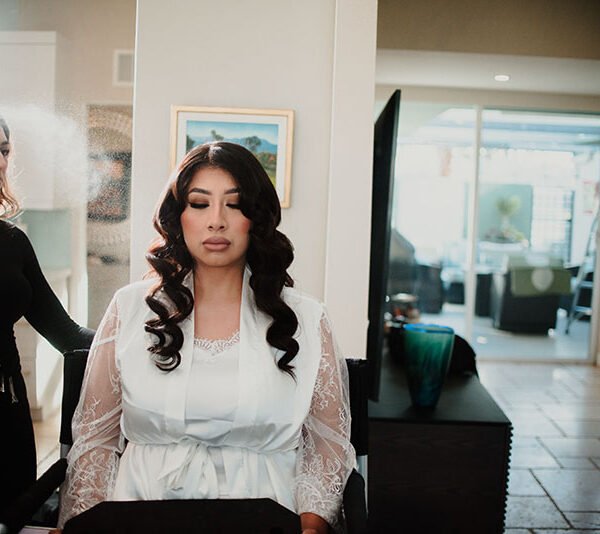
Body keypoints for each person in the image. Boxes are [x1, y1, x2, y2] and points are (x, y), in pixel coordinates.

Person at [57, 142, 355, 533]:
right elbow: (95, 440)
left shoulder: (307, 318)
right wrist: (81, 523)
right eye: (199, 204)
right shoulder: (130, 309)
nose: (216, 221)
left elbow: (327, 444)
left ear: (256, 218)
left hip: (266, 518)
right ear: (177, 216)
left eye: (235, 205)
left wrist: (311, 526)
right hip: (142, 512)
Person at [0, 115, 95, 515]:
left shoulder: (12, 242)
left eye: (4, 150)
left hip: (7, 412)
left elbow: (67, 334)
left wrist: (133, 339)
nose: (0, 161)